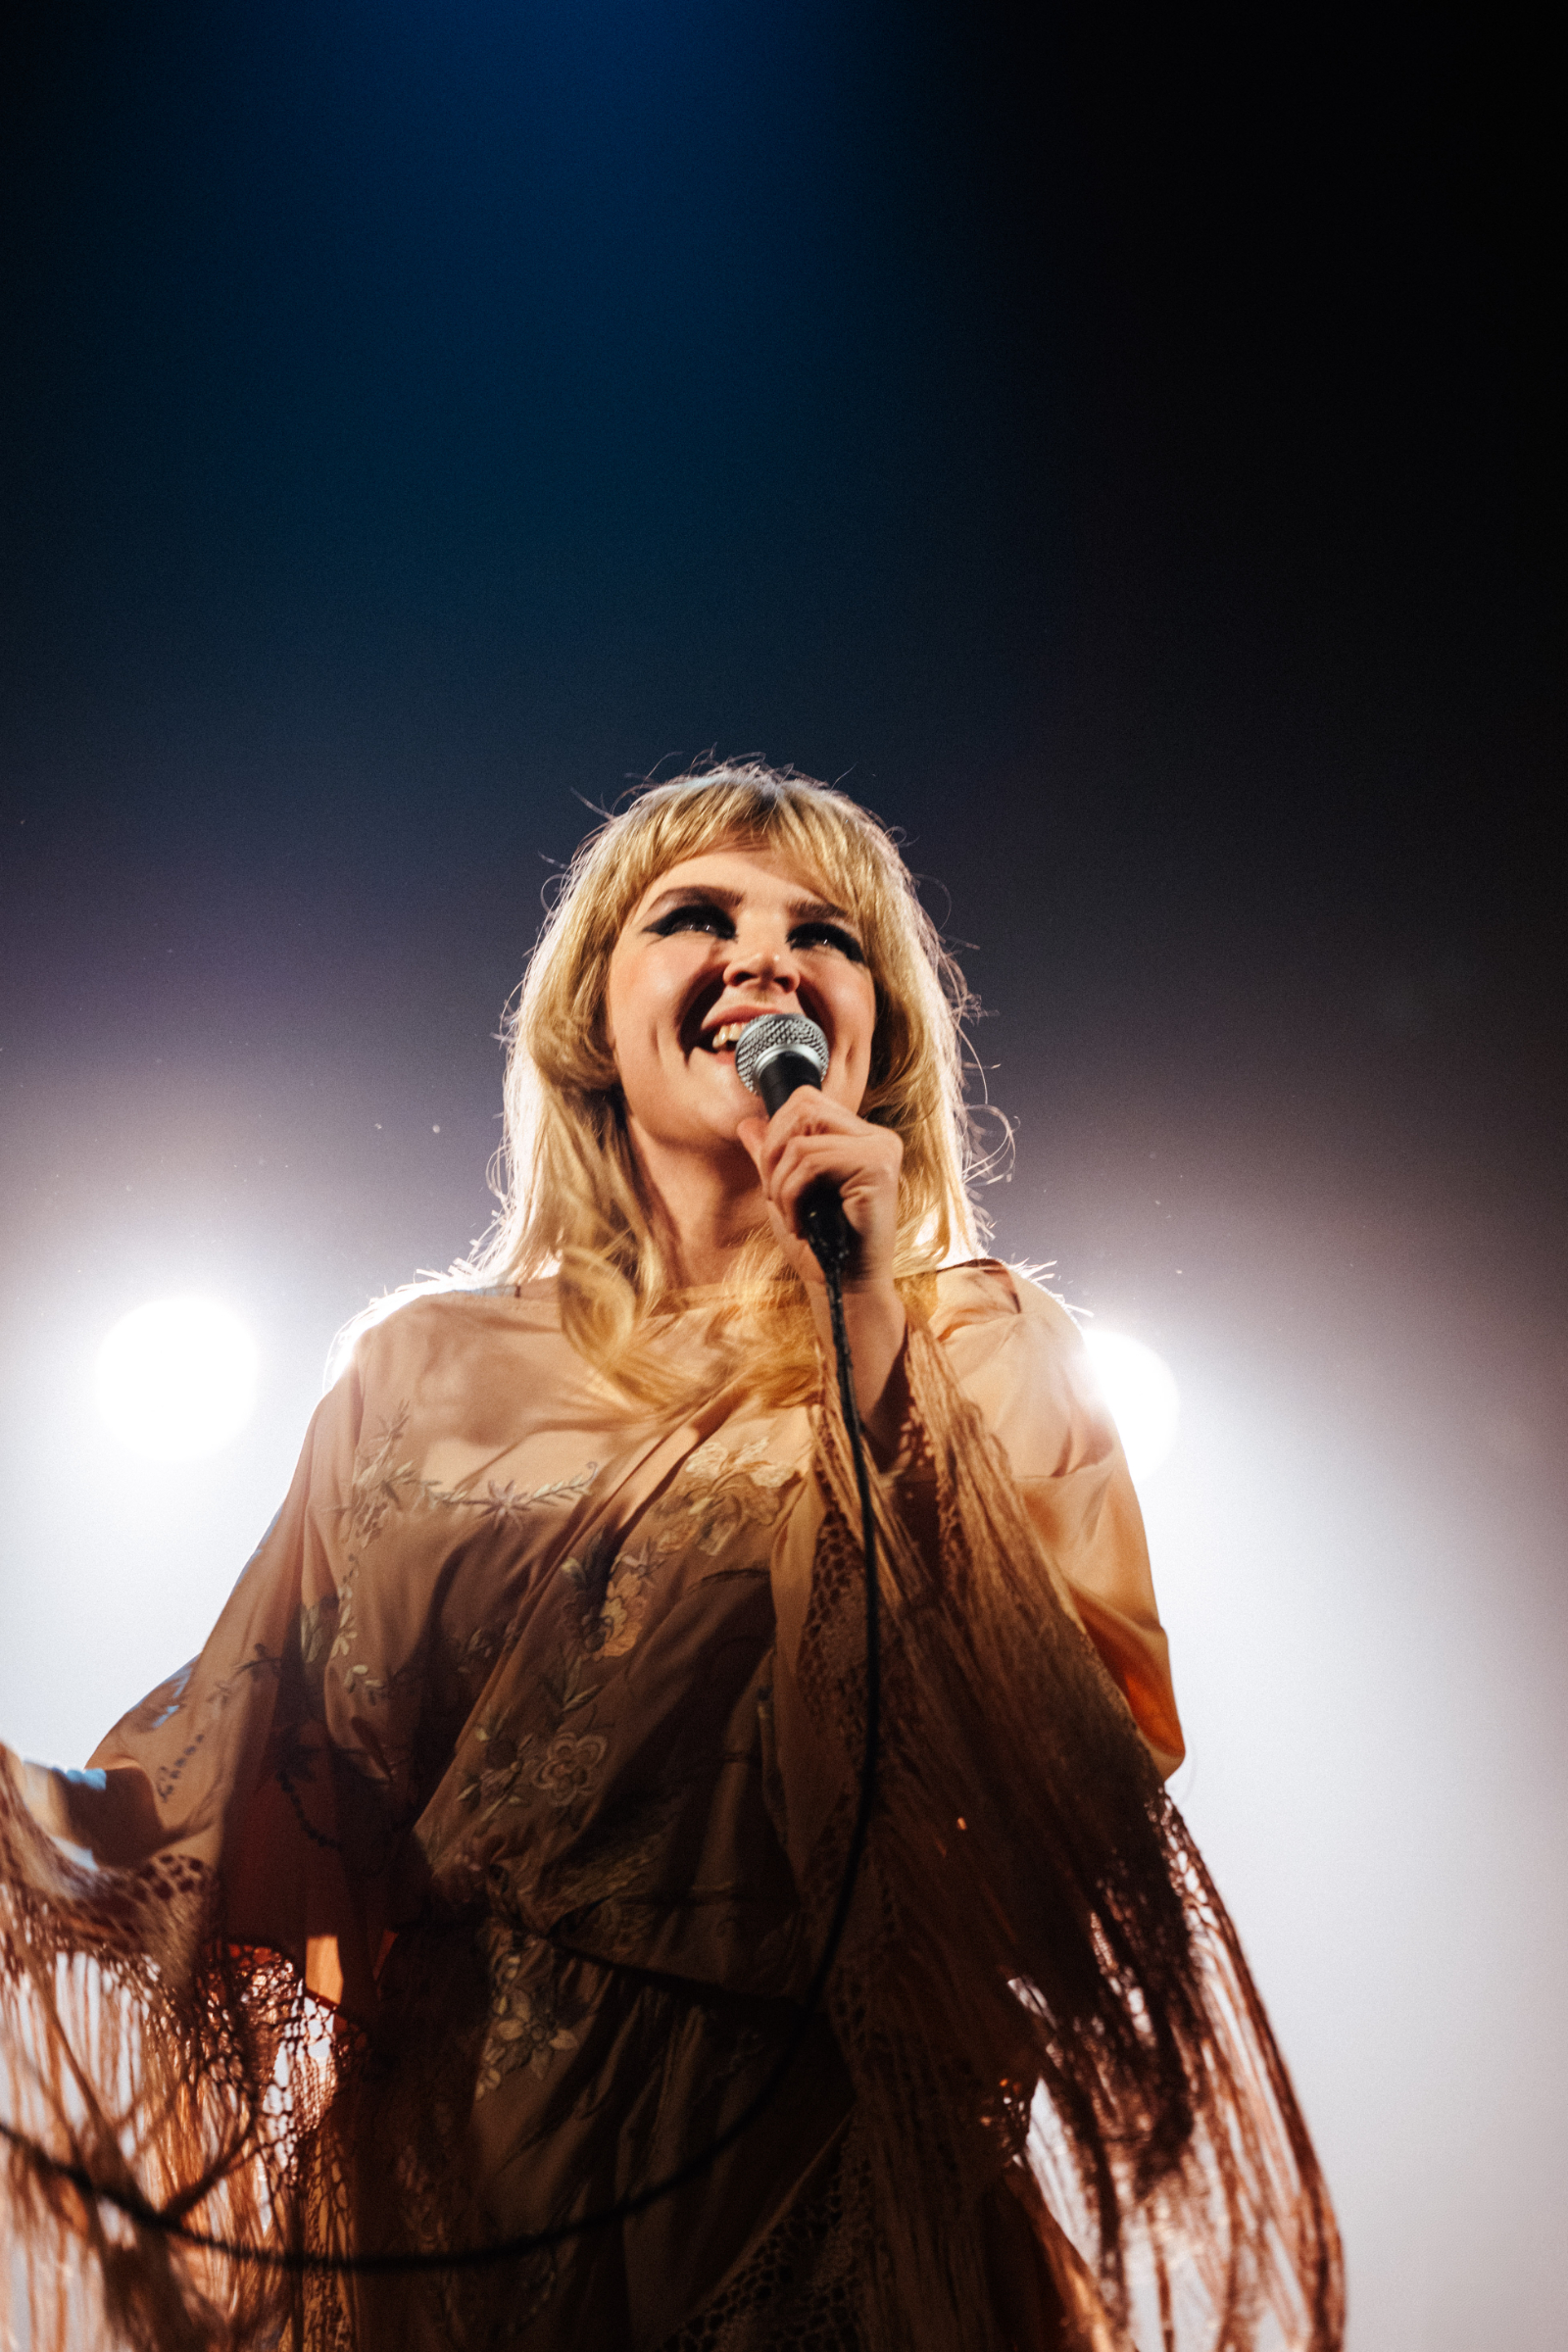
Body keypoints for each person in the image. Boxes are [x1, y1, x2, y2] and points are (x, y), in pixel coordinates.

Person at [0, 763, 1343, 2352]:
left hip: (817, 2190)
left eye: (823, 937)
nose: (765, 957)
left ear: (879, 1035)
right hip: (461, 2199)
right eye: (697, 917)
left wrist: (869, 1335)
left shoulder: (981, 1351)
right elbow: (220, 1779)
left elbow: (1068, 1792)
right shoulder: (416, 1370)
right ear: (591, 1015)